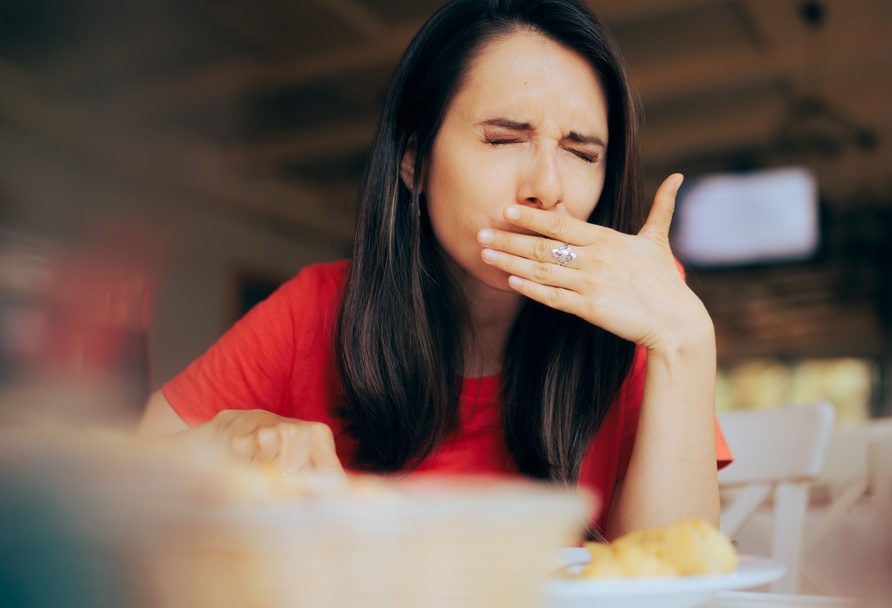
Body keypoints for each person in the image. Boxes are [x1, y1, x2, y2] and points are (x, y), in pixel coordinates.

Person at [137, 0, 731, 539]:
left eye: (582, 153)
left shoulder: (641, 311)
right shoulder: (316, 308)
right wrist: (228, 441)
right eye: (503, 139)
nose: (547, 189)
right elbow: (129, 472)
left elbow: (668, 563)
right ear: (414, 162)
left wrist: (684, 339)